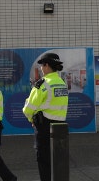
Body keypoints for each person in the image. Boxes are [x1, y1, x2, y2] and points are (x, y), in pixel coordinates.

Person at [22, 53, 69, 181]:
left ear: (47, 66)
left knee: (44, 161)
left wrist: (31, 119)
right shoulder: (61, 83)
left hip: (44, 128)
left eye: (42, 65)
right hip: (61, 128)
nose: (41, 68)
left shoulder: (42, 84)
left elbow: (28, 109)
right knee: (58, 162)